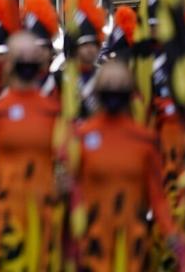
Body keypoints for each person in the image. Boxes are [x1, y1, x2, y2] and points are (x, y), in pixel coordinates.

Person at [69, 60, 177, 272]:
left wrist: (172, 235)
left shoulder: (144, 140)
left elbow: (157, 197)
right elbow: (74, 191)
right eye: (108, 85)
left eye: (120, 86)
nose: (114, 91)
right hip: (92, 243)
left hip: (133, 245)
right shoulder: (81, 138)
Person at [0, 31, 60, 272]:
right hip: (3, 217)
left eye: (31, 56)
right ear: (9, 64)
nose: (26, 62)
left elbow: (66, 159)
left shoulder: (54, 111)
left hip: (44, 215)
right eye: (20, 56)